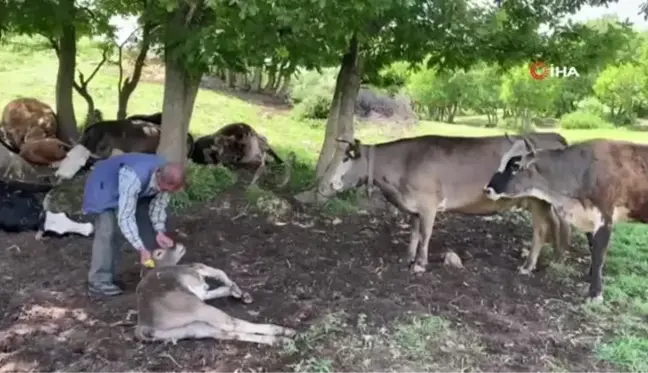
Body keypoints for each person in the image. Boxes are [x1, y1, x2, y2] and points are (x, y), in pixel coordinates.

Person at [82, 152, 187, 296]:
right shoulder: (133, 176)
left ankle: (111, 277)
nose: (165, 192)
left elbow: (158, 207)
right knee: (108, 231)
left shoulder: (166, 178)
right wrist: (141, 247)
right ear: (158, 176)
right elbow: (125, 216)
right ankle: (98, 282)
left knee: (134, 229)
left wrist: (159, 231)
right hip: (104, 187)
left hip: (137, 189)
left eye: (169, 191)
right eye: (163, 189)